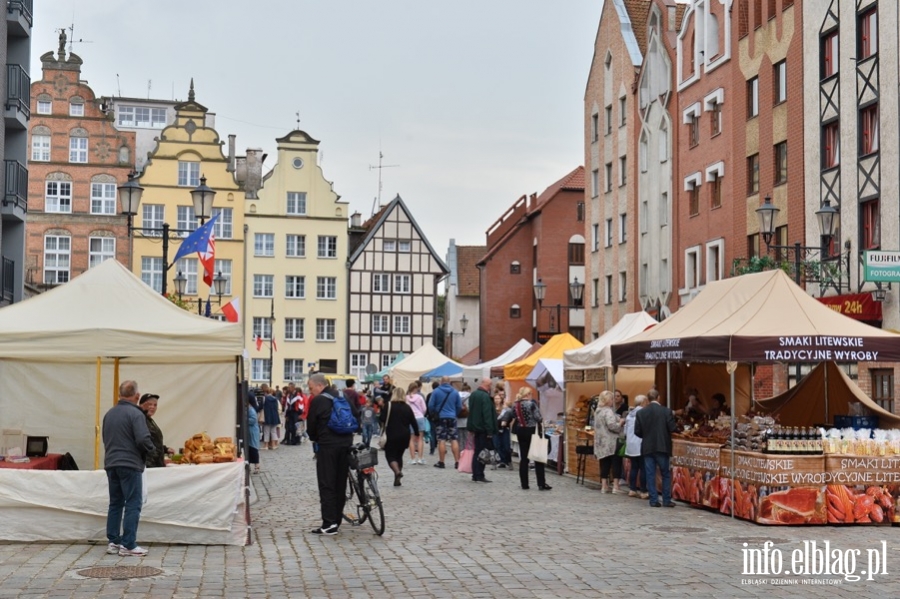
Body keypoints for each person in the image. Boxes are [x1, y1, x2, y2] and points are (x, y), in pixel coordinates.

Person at [102, 380, 155, 557]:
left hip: (111, 462)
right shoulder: (136, 414)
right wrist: (152, 450)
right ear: (137, 396)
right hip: (130, 463)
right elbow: (142, 439)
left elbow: (105, 438)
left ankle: (113, 541)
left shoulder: (109, 414)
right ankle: (129, 544)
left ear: (119, 394)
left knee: (115, 503)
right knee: (133, 503)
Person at [306, 373, 359, 535]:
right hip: (346, 445)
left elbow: (311, 425)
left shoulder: (319, 400)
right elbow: (356, 416)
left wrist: (315, 439)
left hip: (328, 446)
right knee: (340, 484)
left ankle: (329, 523)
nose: (310, 392)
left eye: (311, 388)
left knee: (327, 484)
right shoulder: (342, 395)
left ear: (320, 385)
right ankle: (336, 520)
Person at [635, 388, 678, 508]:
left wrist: (647, 437)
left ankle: (653, 500)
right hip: (662, 446)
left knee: (650, 473)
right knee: (665, 473)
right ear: (658, 397)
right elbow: (672, 427)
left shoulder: (641, 413)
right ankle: (666, 500)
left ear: (648, 399)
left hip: (648, 446)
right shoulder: (666, 411)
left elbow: (637, 431)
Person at [511, 387, 551, 490]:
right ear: (527, 394)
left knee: (524, 458)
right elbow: (538, 417)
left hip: (521, 430)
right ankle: (541, 483)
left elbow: (513, 415)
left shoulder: (515, 405)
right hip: (532, 430)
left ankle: (524, 483)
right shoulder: (531, 404)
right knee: (537, 457)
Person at [381, 387, 418, 486]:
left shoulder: (388, 405)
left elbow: (381, 418)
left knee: (390, 456)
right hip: (404, 435)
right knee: (399, 456)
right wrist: (417, 433)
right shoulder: (407, 407)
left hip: (391, 434)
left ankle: (397, 472)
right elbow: (413, 421)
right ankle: (397, 479)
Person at [594, 390, 625, 494]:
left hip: (601, 441)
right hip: (611, 441)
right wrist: (620, 423)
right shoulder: (608, 411)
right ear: (607, 400)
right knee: (616, 462)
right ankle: (616, 486)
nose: (613, 400)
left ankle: (604, 486)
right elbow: (612, 425)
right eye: (612, 398)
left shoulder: (597, 411)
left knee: (604, 463)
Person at [428, 376, 463, 469]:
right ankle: (457, 462)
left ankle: (442, 462)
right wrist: (455, 413)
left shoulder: (436, 391)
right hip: (452, 417)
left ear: (441, 382)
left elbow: (430, 405)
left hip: (440, 417)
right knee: (454, 439)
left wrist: (434, 413)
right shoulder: (455, 392)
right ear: (449, 382)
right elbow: (459, 406)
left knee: (441, 439)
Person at [467, 378, 497, 483]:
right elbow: (487, 415)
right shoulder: (485, 397)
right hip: (483, 429)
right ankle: (479, 474)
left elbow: (471, 412)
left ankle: (476, 474)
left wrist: (470, 427)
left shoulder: (473, 394)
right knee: (483, 452)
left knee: (477, 452)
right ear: (488, 385)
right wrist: (490, 431)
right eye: (491, 385)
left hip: (476, 427)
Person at [138, 393, 173, 468]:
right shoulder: (140, 420)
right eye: (149, 404)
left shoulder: (150, 420)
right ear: (141, 405)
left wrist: (165, 449)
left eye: (155, 405)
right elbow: (143, 441)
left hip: (155, 463)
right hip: (148, 464)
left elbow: (153, 441)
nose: (152, 407)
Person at [624, 395, 648, 499]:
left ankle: (632, 489)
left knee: (634, 467)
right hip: (641, 443)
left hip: (631, 444)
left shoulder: (629, 415)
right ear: (643, 402)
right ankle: (643, 491)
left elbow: (625, 431)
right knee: (643, 468)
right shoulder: (644, 413)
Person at [406, 382, 428, 465]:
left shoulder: (406, 398)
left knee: (411, 439)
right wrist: (421, 413)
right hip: (419, 418)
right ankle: (420, 458)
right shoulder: (419, 397)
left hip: (410, 419)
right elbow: (424, 408)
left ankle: (412, 458)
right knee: (420, 438)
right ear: (416, 388)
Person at [494, 385, 513, 469]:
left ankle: (508, 460)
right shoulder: (492, 408)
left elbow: (510, 417)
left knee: (506, 446)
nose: (497, 400)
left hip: (505, 428)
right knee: (497, 445)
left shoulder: (505, 407)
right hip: (496, 429)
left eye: (499, 398)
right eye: (496, 398)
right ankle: (502, 460)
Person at [261, 385, 281, 450]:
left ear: (266, 392)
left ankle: (266, 445)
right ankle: (273, 445)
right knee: (273, 431)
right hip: (275, 417)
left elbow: (261, 407)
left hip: (267, 416)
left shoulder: (265, 398)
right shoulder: (275, 399)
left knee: (266, 431)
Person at [247, 392, 261, 474]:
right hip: (250, 432)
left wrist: (245, 420)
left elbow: (253, 420)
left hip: (253, 432)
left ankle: (257, 466)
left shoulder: (251, 410)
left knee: (254, 449)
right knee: (249, 450)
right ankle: (249, 465)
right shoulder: (249, 409)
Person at [457, 382, 472, 451]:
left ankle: (460, 453)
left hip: (458, 420)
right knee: (467, 439)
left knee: (459, 439)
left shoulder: (457, 395)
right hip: (467, 420)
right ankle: (467, 454)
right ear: (468, 390)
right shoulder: (470, 396)